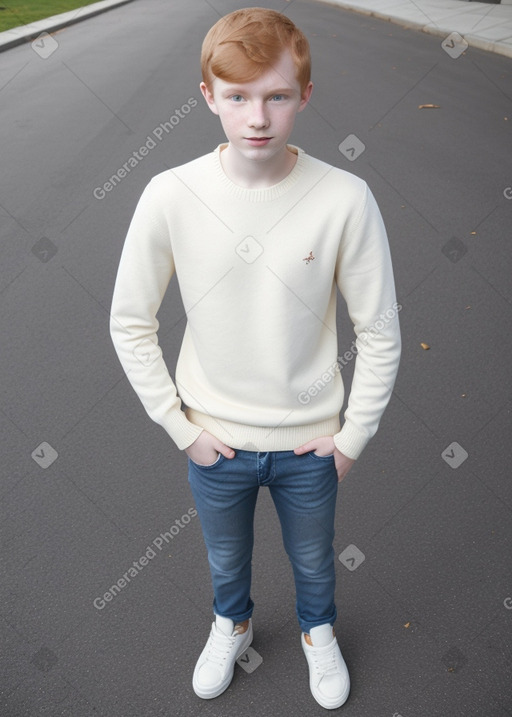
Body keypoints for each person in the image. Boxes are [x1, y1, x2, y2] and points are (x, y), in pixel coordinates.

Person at [110, 6, 401, 710]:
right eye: (237, 96)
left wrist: (352, 436)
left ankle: (317, 633)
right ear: (209, 95)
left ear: (304, 95)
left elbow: (383, 330)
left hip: (309, 447)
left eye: (276, 95)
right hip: (217, 441)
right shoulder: (170, 196)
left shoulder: (345, 199)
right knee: (225, 559)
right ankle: (231, 623)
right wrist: (183, 428)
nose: (257, 116)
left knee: (312, 560)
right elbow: (129, 321)